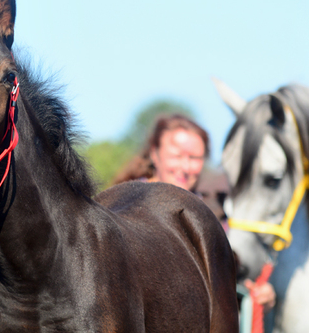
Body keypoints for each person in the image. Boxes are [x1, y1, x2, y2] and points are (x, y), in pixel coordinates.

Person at [113, 113, 276, 313]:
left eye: (194, 158)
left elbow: (232, 281)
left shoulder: (215, 214)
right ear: (154, 154)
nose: (185, 167)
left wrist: (258, 295)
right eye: (176, 156)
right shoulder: (123, 206)